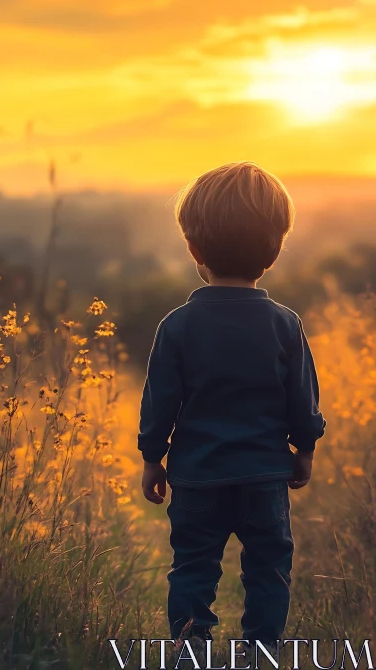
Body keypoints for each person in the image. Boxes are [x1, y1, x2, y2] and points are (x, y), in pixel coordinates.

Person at [137, 161, 326, 649]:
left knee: (193, 568)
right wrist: (303, 449)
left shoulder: (176, 326)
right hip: (265, 476)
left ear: (194, 249)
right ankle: (260, 654)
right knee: (268, 570)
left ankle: (189, 653)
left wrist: (152, 457)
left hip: (197, 475)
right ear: (275, 248)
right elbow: (302, 399)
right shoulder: (285, 324)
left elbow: (160, 402)